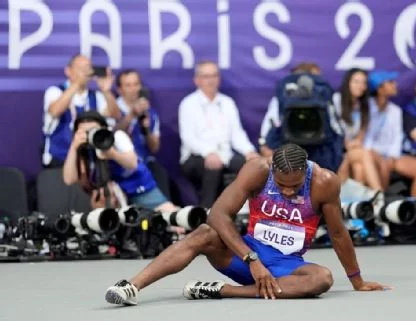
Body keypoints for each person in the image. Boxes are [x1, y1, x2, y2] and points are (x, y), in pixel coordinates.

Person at [104, 144, 390, 305]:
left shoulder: (325, 182)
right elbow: (217, 214)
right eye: (282, 186)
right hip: (244, 255)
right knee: (204, 232)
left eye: (295, 186)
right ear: (273, 172)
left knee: (322, 279)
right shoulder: (258, 170)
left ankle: (220, 290)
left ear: (307, 172)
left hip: (284, 267)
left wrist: (357, 280)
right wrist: (250, 258)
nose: (289, 192)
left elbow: (339, 234)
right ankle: (131, 286)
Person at [179, 61, 259, 208]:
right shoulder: (188, 103)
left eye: (214, 75)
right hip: (195, 157)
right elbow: (188, 138)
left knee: (252, 165)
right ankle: (207, 214)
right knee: (213, 165)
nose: (211, 80)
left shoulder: (227, 102)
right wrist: (208, 152)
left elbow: (237, 134)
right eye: (206, 76)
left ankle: (245, 213)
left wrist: (249, 151)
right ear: (197, 80)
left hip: (225, 155)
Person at [62, 111, 176, 212]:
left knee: (172, 220)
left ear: (104, 128)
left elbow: (133, 163)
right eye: (85, 132)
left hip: (140, 189)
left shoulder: (117, 137)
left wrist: (112, 154)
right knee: (99, 198)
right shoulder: (84, 150)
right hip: (113, 198)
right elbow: (69, 179)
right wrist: (74, 146)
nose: (91, 135)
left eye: (94, 130)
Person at [42, 54, 121, 168]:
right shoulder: (55, 92)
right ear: (68, 71)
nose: (85, 72)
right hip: (59, 160)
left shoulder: (96, 96)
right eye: (81, 69)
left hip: (89, 161)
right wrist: (76, 84)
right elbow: (55, 111)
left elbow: (116, 115)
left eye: (88, 68)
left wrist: (106, 91)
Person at [365, 70, 416, 197]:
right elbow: (365, 137)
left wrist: (392, 156)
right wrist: (378, 155)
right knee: (382, 165)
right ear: (380, 88)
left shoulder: (395, 110)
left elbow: (397, 137)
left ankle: (415, 207)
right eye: (390, 82)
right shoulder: (366, 108)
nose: (395, 85)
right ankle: (381, 205)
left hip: (392, 155)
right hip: (371, 153)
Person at [333, 68, 382, 190]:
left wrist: (354, 144)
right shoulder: (336, 99)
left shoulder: (365, 105)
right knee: (364, 155)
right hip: (337, 150)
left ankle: (359, 204)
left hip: (353, 149)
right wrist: (347, 145)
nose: (360, 86)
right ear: (347, 82)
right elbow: (334, 129)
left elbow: (361, 136)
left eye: (363, 82)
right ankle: (379, 193)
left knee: (359, 168)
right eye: (356, 81)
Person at [114, 69, 160, 164]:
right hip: (119, 163)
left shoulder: (150, 112)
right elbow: (111, 135)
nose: (133, 89)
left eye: (136, 84)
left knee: (161, 177)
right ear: (119, 90)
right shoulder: (112, 110)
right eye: (128, 85)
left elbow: (154, 148)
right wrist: (132, 115)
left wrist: (146, 129)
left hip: (144, 162)